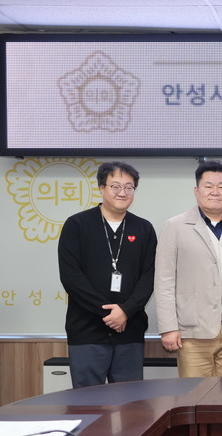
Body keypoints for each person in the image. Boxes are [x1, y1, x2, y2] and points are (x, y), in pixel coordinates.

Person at [58, 161, 157, 388]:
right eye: (116, 186)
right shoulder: (77, 225)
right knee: (87, 401)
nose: (123, 192)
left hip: (129, 332)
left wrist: (125, 311)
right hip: (87, 332)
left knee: (129, 403)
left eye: (129, 187)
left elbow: (149, 277)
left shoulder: (144, 229)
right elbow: (71, 277)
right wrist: (109, 314)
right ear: (102, 188)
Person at [155, 160, 222, 377]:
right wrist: (168, 327)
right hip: (192, 332)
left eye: (221, 186)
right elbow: (164, 281)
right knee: (196, 394)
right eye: (208, 186)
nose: (215, 192)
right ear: (196, 190)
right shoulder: (175, 227)